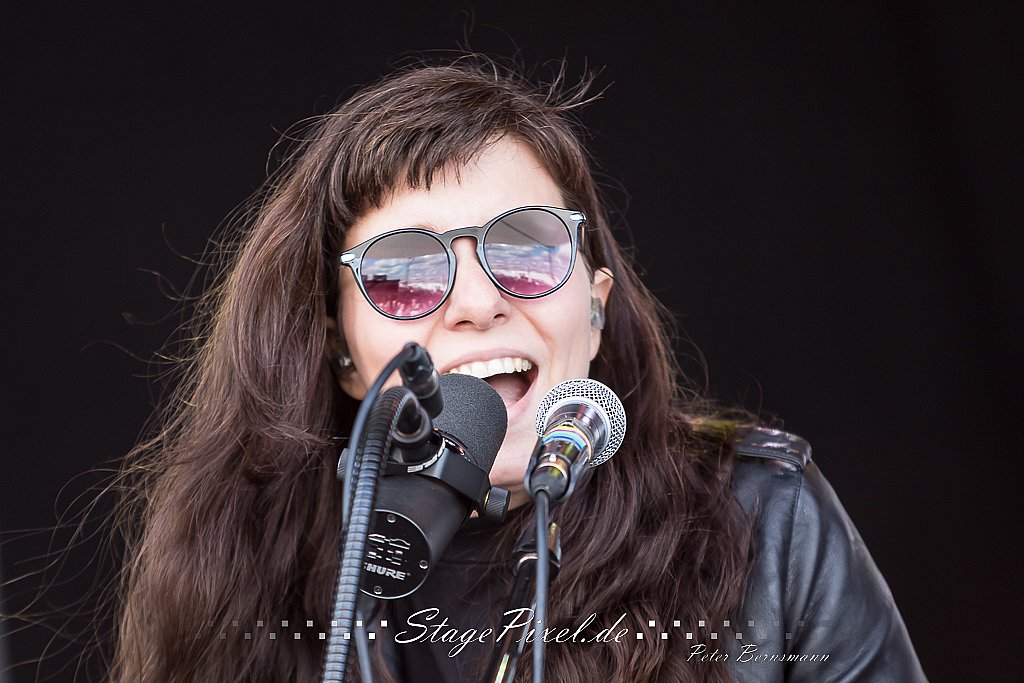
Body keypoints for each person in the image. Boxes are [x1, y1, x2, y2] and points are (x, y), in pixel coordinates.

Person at [110, 57, 927, 682]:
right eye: (403, 271)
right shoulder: (247, 564)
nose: (476, 301)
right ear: (342, 355)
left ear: (595, 308)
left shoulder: (766, 519)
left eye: (525, 247)